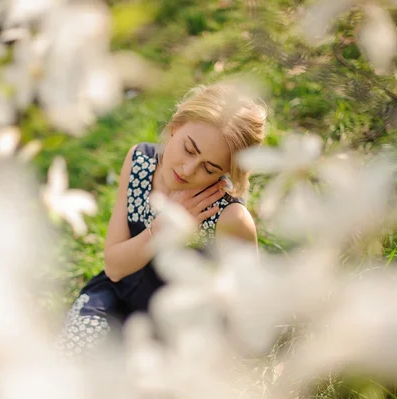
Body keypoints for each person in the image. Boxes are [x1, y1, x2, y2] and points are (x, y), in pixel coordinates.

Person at [56, 83, 266, 358]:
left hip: (178, 326)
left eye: (210, 168)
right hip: (117, 295)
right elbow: (115, 267)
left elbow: (250, 304)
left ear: (225, 173)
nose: (188, 170)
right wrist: (162, 228)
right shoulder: (139, 161)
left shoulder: (230, 217)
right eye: (189, 149)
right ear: (175, 127)